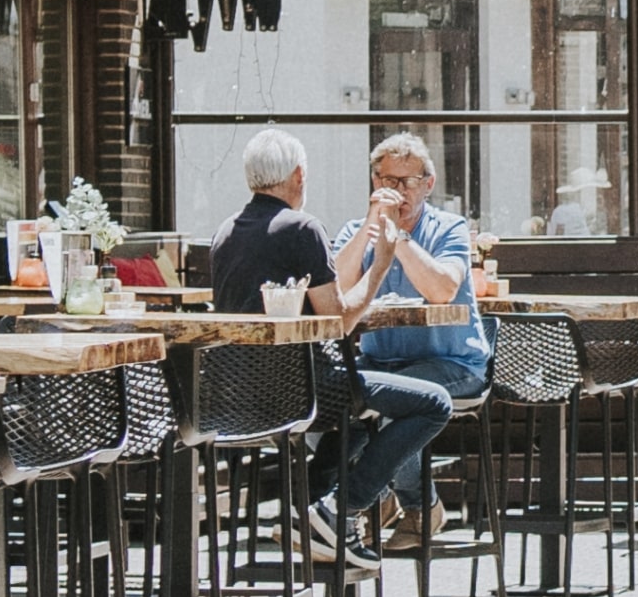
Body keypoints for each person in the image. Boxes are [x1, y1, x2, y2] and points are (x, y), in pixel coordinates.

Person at [206, 131, 441, 566]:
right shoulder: (302, 228)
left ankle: (311, 520)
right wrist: (381, 266)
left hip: (232, 397)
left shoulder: (225, 232)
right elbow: (339, 322)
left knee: (352, 431)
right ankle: (340, 508)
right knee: (432, 403)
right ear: (298, 176)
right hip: (303, 389)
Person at [320, 134, 493, 555]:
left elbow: (441, 290)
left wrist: (398, 240)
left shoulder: (447, 227)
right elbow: (336, 289)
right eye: (386, 179)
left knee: (397, 403)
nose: (397, 190)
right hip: (381, 361)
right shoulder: (355, 230)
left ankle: (407, 505)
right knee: (325, 401)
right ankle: (369, 503)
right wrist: (368, 229)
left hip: (452, 361)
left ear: (428, 183)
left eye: (407, 181)